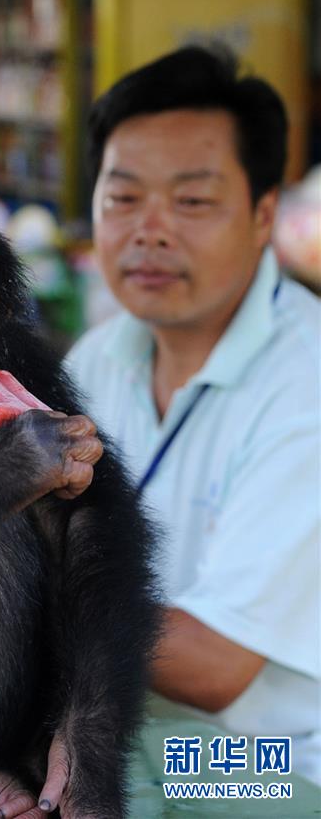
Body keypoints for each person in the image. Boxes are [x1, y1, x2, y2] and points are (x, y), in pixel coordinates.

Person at [65, 45, 320, 785]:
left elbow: (214, 667)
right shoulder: (96, 358)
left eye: (192, 201)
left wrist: (15, 584)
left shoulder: (304, 384)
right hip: (133, 726)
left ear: (261, 216)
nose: (149, 230)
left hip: (278, 762)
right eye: (122, 198)